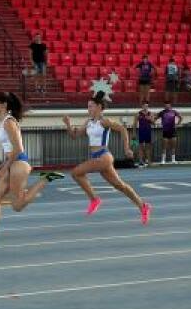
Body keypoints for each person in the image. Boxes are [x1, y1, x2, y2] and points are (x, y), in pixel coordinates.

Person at [0, 92, 65, 251]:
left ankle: (45, 179)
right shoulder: (4, 121)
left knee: (17, 206)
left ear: (4, 105)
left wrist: (4, 168)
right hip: (12, 165)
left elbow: (18, 149)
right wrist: (0, 167)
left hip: (19, 165)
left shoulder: (9, 123)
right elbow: (11, 150)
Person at [62, 91, 151, 222]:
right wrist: (68, 125)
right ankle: (143, 206)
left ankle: (94, 199)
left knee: (76, 173)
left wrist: (126, 148)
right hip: (97, 158)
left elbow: (122, 129)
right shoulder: (88, 122)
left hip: (104, 156)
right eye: (88, 106)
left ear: (98, 107)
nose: (88, 109)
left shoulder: (104, 121)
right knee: (120, 186)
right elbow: (74, 136)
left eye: (91, 106)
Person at [135, 101, 154, 168]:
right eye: (144, 106)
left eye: (147, 106)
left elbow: (153, 122)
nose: (145, 107)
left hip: (148, 132)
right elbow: (134, 124)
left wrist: (150, 120)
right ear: (142, 106)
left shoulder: (150, 113)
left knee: (148, 147)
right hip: (141, 132)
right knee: (141, 147)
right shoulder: (138, 114)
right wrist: (134, 134)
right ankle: (140, 161)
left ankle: (148, 161)